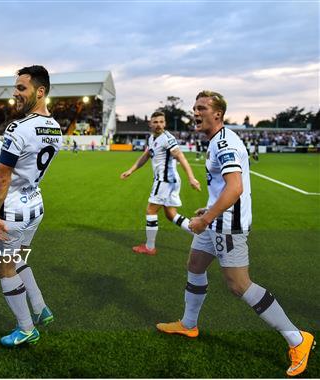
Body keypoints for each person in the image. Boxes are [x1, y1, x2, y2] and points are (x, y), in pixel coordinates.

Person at [156, 91, 315, 377]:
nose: (195, 111)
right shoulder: (217, 140)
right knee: (194, 265)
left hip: (228, 227)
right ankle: (188, 324)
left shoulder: (225, 142)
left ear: (218, 114)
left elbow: (235, 188)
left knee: (239, 285)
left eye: (201, 107)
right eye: (194, 107)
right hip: (216, 221)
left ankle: (298, 338)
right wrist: (208, 209)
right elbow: (224, 188)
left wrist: (206, 219)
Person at [0, 65, 62, 347]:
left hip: (12, 210)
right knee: (19, 259)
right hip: (35, 205)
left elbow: (2, 175)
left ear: (40, 92)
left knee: (4, 267)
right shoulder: (55, 128)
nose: (15, 93)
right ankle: (41, 306)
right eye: (15, 87)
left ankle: (26, 327)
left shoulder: (19, 127)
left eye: (21, 88)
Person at [120, 111, 201, 255]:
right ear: (150, 124)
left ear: (165, 123)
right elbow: (145, 156)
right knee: (171, 214)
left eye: (161, 122)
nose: (159, 125)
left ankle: (149, 247)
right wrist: (131, 170)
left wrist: (191, 178)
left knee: (151, 210)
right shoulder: (152, 139)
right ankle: (202, 236)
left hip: (165, 181)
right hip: (169, 181)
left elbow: (181, 157)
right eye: (156, 122)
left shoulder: (167, 138)